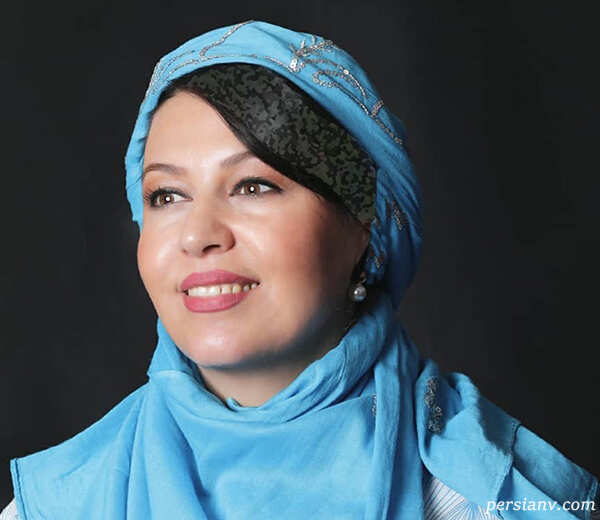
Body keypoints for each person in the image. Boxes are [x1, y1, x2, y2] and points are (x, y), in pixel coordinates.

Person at [2, 20, 598, 520]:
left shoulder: (490, 497)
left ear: (364, 225)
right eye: (166, 196)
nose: (198, 235)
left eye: (252, 186)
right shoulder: (60, 504)